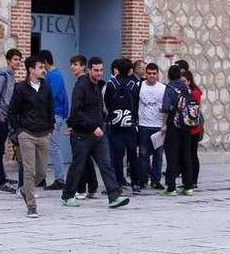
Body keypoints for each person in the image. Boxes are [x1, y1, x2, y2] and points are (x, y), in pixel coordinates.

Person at [60, 56, 130, 209]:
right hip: (82, 135)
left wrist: (101, 124)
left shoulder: (98, 86)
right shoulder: (81, 86)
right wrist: (91, 127)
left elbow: (96, 110)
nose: (99, 73)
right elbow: (77, 112)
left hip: (98, 135)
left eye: (101, 70)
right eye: (96, 70)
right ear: (89, 70)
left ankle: (114, 196)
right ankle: (67, 196)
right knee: (77, 166)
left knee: (106, 164)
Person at [8, 56, 55, 217]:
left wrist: (51, 128)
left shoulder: (46, 87)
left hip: (43, 133)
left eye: (44, 67)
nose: (44, 70)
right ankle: (31, 206)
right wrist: (18, 130)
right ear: (31, 70)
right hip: (26, 133)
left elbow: (51, 108)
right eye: (40, 67)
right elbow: (12, 111)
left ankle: (24, 190)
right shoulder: (21, 88)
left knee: (41, 172)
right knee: (29, 171)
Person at [0, 48, 23, 193]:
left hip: (6, 117)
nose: (17, 62)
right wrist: (0, 115)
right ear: (8, 60)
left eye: (19, 60)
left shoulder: (11, 75)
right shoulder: (2, 75)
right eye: (15, 59)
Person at [104, 58, 140, 194]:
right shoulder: (134, 84)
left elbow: (107, 103)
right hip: (130, 125)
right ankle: (135, 184)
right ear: (130, 70)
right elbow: (137, 103)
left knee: (117, 156)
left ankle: (118, 183)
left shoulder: (111, 84)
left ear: (117, 69)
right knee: (132, 156)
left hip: (115, 125)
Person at [160, 64, 195, 196]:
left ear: (169, 76)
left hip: (174, 126)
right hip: (186, 125)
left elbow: (166, 108)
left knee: (172, 156)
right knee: (186, 155)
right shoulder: (186, 88)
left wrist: (164, 125)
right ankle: (188, 186)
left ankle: (171, 187)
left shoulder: (169, 89)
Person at [38, 50, 68, 191]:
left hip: (55, 115)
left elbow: (50, 95)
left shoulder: (54, 76)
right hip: (53, 115)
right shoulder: (52, 75)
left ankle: (60, 179)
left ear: (45, 62)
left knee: (53, 147)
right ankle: (41, 178)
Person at [69, 55, 98, 199]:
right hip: (86, 125)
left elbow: (78, 108)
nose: (73, 67)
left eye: (76, 64)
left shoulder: (82, 83)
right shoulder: (85, 82)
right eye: (72, 64)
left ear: (83, 66)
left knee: (80, 159)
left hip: (83, 127)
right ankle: (92, 187)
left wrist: (73, 124)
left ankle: (80, 189)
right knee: (86, 159)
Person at [137, 63, 166, 190]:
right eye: (149, 73)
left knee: (158, 155)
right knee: (143, 154)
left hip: (158, 126)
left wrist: (165, 125)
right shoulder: (139, 86)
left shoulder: (163, 88)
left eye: (154, 73)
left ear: (158, 74)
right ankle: (143, 179)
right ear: (145, 74)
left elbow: (167, 109)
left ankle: (156, 180)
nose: (151, 76)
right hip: (143, 125)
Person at [184, 69, 203, 188]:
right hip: (187, 128)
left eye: (184, 81)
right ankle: (189, 180)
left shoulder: (194, 92)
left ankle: (193, 180)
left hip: (193, 128)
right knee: (188, 155)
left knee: (192, 154)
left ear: (189, 81)